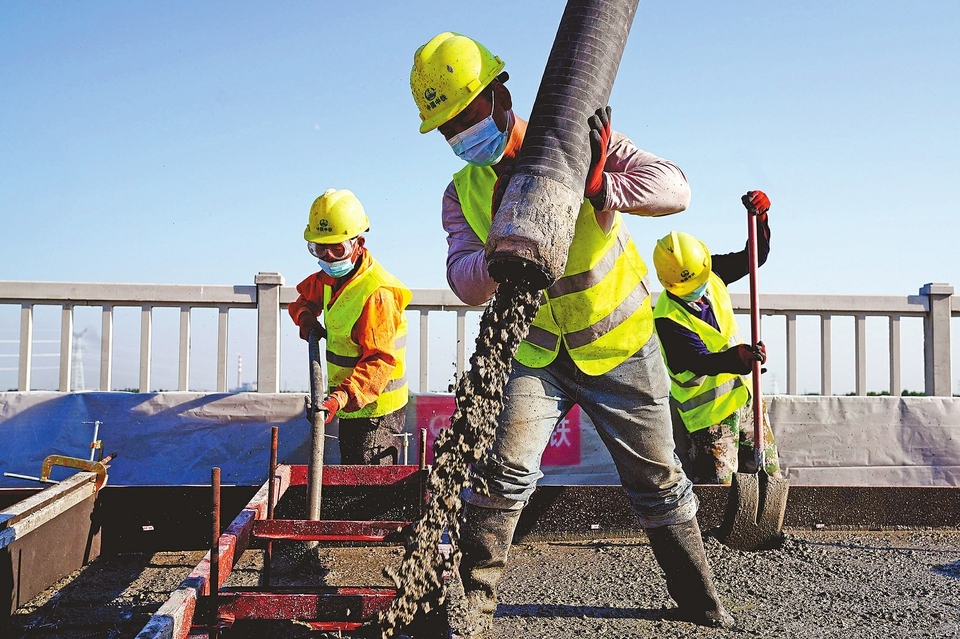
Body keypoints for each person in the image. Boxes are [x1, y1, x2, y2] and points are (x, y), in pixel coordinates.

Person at [410, 32, 734, 635]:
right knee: (503, 470)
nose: (460, 135)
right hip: (535, 354)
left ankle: (702, 603)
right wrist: (503, 244)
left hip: (619, 348)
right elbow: (465, 281)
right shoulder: (463, 193)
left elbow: (675, 189)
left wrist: (599, 183)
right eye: (447, 128)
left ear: (500, 93)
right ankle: (474, 609)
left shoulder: (578, 144)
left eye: (466, 115)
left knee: (656, 477)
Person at [651, 191, 782, 485]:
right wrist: (738, 358)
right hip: (710, 420)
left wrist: (761, 218)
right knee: (718, 492)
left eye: (700, 280)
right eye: (689, 287)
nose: (698, 288)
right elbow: (699, 362)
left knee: (767, 479)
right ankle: (713, 533)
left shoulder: (712, 272)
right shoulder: (667, 318)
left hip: (747, 400)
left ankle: (765, 531)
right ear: (669, 284)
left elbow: (754, 257)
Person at [288, 188, 412, 465]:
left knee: (368, 488)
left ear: (358, 243)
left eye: (338, 248)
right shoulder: (330, 279)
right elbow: (303, 300)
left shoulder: (376, 293)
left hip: (376, 414)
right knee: (353, 474)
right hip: (351, 404)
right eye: (320, 248)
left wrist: (339, 398)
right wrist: (305, 318)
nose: (329, 256)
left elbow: (379, 362)